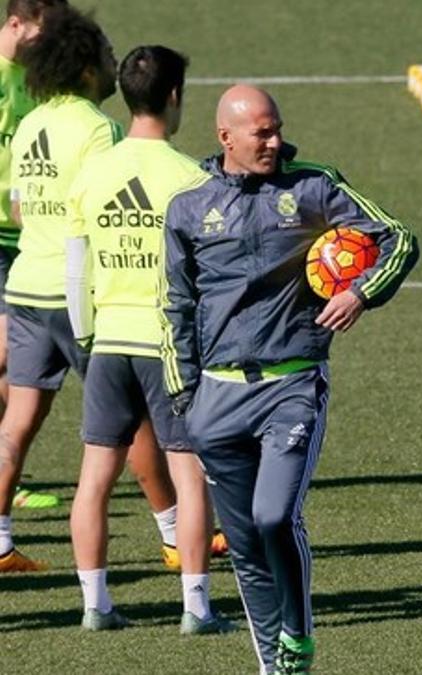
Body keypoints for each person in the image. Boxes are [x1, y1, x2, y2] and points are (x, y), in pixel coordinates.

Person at [161, 84, 417, 672]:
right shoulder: (189, 208)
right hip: (216, 400)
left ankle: (298, 634)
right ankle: (275, 666)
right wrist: (186, 399)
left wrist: (362, 291)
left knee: (276, 516)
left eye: (277, 129)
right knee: (247, 545)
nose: (275, 141)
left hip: (292, 386)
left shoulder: (314, 186)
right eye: (262, 133)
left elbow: (398, 238)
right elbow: (174, 305)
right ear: (226, 137)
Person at [0, 5, 179, 574]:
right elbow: (108, 205)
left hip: (25, 284)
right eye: (104, 56)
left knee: (18, 420)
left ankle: (0, 544)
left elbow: (19, 210)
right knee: (135, 417)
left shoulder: (32, 123)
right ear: (83, 69)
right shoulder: (98, 129)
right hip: (75, 294)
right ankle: (178, 536)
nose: (111, 65)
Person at [64, 45, 235, 634]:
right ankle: (196, 608)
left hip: (108, 343)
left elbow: (76, 269)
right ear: (174, 97)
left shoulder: (93, 172)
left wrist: (88, 337)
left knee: (94, 479)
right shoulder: (191, 177)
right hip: (170, 350)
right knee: (190, 478)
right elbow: (210, 278)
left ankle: (95, 605)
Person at [0, 0, 65, 513]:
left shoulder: (37, 78)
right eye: (43, 31)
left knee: (12, 369)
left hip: (22, 233)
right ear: (15, 23)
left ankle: (6, 473)